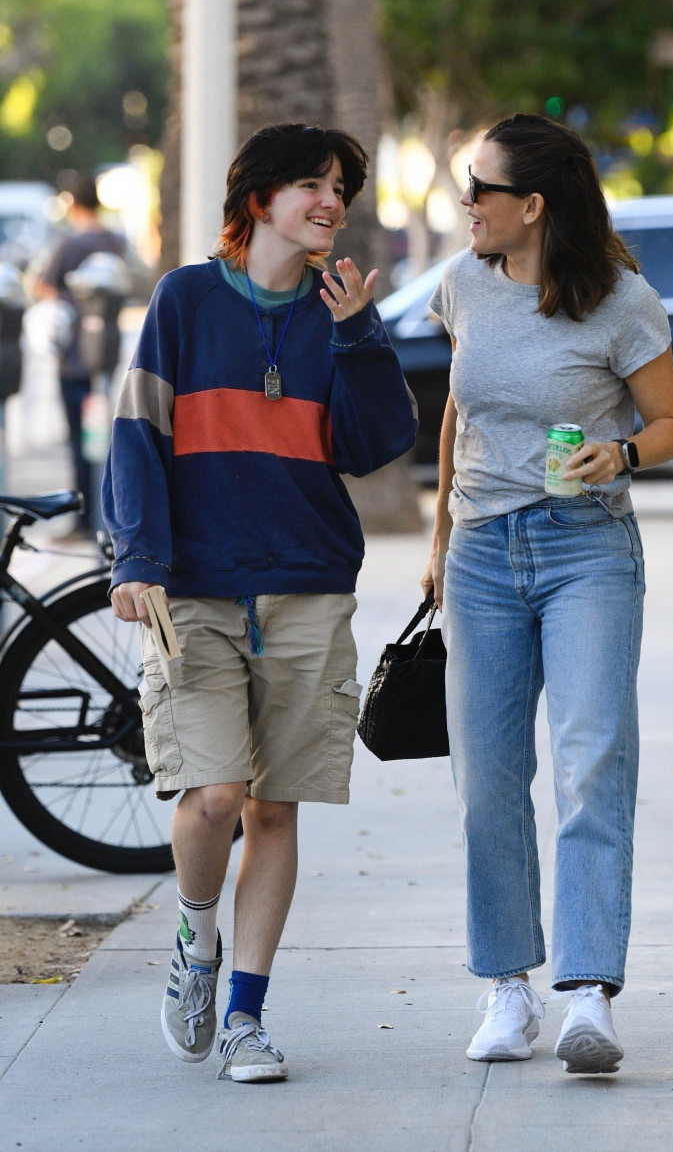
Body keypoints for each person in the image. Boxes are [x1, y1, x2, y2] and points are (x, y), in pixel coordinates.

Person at [103, 123, 417, 1083]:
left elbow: (376, 445)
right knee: (212, 799)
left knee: (274, 812)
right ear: (259, 198)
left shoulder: (340, 313)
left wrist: (360, 331)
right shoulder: (187, 299)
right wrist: (137, 558)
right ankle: (196, 940)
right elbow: (137, 435)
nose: (331, 203)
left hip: (308, 584)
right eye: (312, 186)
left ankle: (245, 1015)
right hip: (193, 587)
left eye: (340, 191)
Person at [422, 113, 673, 1075]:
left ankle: (585, 993)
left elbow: (671, 425)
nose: (466, 201)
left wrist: (619, 452)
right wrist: (440, 533)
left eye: (480, 187)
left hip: (587, 550)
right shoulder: (460, 286)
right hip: (484, 556)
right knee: (487, 783)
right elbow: (458, 407)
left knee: (591, 763)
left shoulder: (621, 302)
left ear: (532, 206)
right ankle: (507, 989)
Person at [35, 175, 125, 535]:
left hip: (73, 356)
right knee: (102, 436)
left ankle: (85, 515)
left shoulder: (69, 244)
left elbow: (44, 286)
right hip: (106, 351)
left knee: (79, 440)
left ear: (74, 205)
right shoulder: (115, 242)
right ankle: (104, 513)